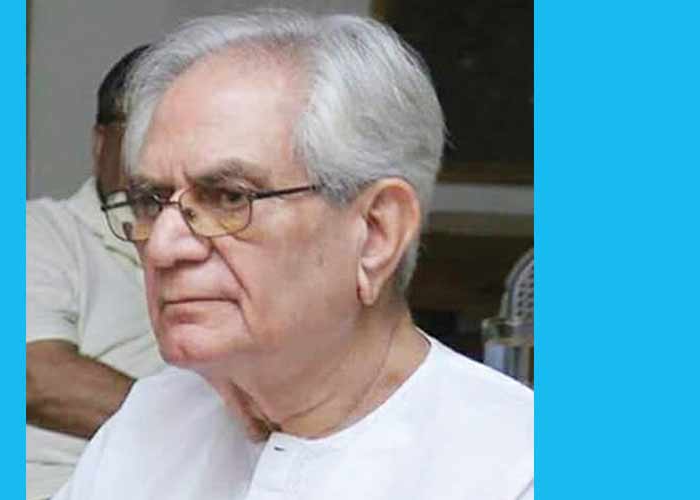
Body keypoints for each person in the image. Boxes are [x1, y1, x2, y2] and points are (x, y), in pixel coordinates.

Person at [56, 10, 533, 500]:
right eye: (151, 202)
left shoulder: (513, 469)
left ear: (376, 233)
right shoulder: (154, 417)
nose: (161, 247)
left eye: (230, 197)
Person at [26, 45, 165, 500]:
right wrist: (201, 430)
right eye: (144, 131)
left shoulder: (221, 242)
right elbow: (36, 377)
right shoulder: (41, 231)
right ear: (101, 143)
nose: (164, 152)